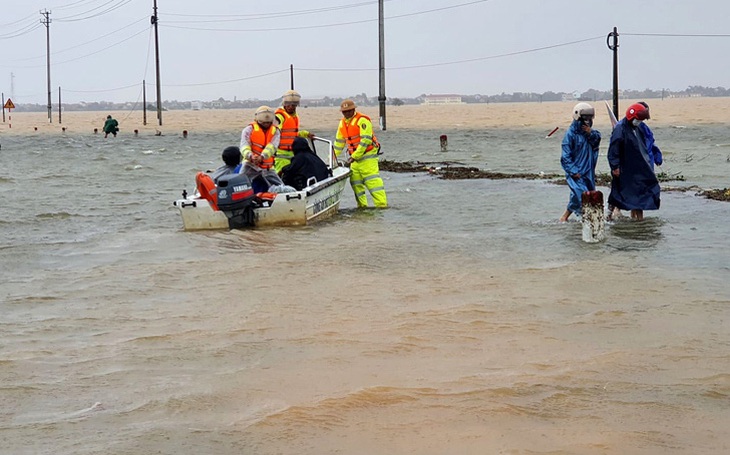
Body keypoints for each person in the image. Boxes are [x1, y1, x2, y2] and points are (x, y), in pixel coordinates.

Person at [607, 103, 661, 221]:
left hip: (638, 167)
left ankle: (639, 219)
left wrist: (656, 155)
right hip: (623, 168)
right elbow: (613, 149)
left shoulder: (640, 128)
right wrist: (615, 166)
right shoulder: (620, 129)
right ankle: (609, 215)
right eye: (638, 119)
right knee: (618, 193)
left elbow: (648, 143)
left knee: (641, 192)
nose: (639, 121)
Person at [333, 99, 387, 208]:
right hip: (355, 160)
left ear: (353, 110)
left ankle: (381, 206)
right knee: (356, 184)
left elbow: (365, 141)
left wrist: (354, 156)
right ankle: (362, 208)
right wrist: (331, 158)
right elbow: (339, 143)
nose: (346, 113)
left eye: (349, 111)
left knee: (373, 183)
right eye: (344, 111)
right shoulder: (342, 124)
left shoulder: (362, 120)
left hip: (368, 158)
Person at [559, 102, 601, 222]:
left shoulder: (589, 132)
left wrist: (590, 133)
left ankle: (564, 218)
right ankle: (589, 220)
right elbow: (565, 156)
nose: (587, 121)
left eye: (589, 117)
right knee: (582, 195)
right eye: (585, 118)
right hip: (576, 172)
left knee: (585, 194)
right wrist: (573, 171)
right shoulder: (570, 134)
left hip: (588, 170)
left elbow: (596, 142)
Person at [239, 105, 285, 191]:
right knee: (240, 185)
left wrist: (262, 156)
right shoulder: (248, 130)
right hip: (250, 165)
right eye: (264, 123)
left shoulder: (276, 131)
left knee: (281, 188)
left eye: (268, 123)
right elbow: (244, 145)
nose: (266, 124)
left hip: (267, 167)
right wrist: (251, 156)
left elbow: (272, 146)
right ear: (257, 120)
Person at [273, 90, 315, 174]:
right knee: (282, 176)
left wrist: (305, 134)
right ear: (284, 104)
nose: (291, 107)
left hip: (292, 154)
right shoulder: (279, 116)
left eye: (294, 105)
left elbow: (291, 134)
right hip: (281, 156)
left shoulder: (293, 117)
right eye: (289, 104)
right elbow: (273, 131)